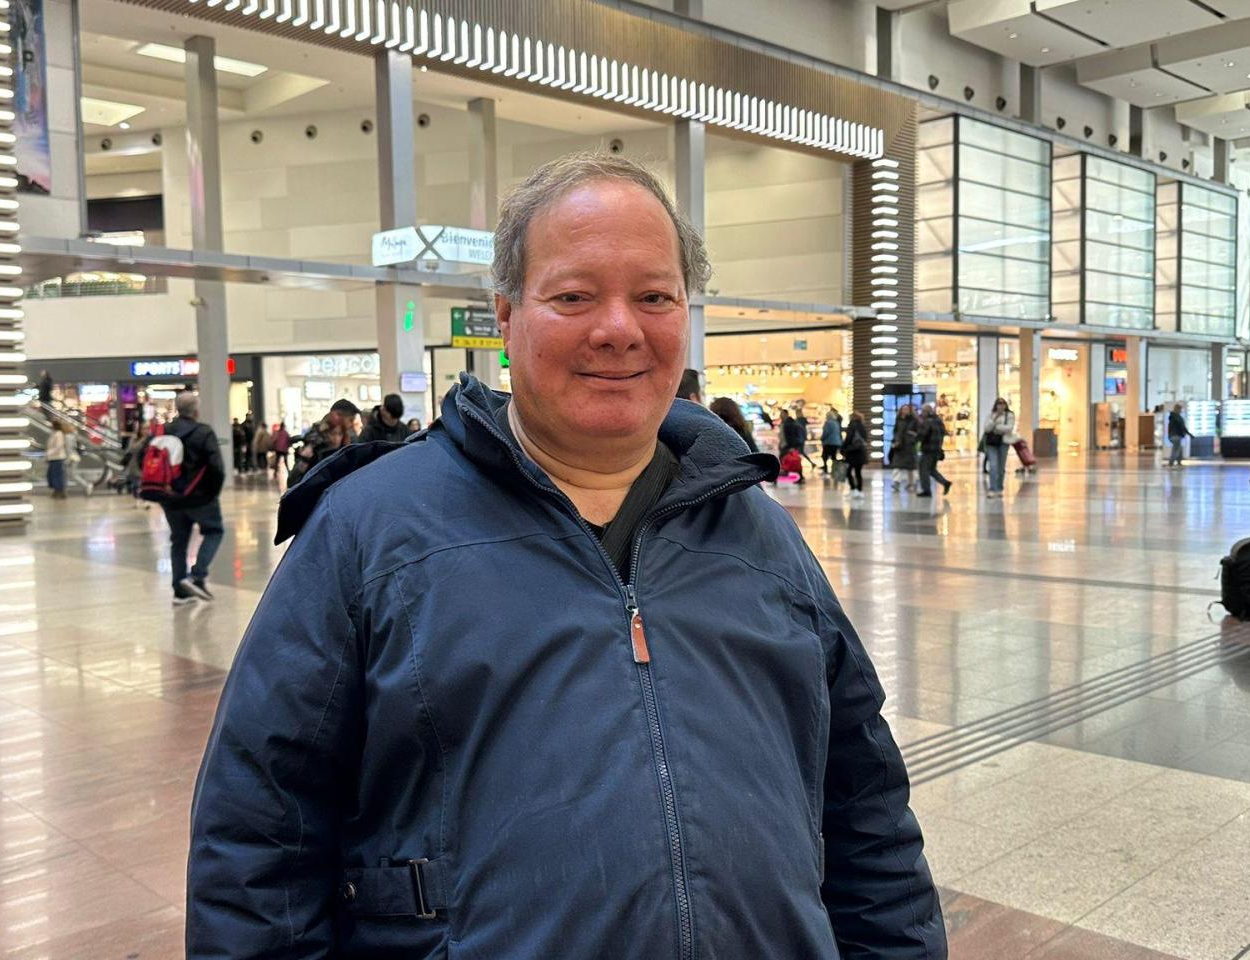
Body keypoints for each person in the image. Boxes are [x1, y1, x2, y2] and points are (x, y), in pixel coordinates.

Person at [187, 152, 945, 959]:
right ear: (506, 316)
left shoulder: (758, 533)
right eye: (575, 296)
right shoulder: (371, 533)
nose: (619, 328)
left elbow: (866, 816)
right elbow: (259, 839)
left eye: (654, 296)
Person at [163, 391, 227, 605]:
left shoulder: (164, 431)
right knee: (214, 531)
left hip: (170, 496)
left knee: (178, 541)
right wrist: (212, 493)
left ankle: (179, 591)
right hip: (199, 496)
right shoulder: (203, 432)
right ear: (196, 410)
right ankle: (197, 576)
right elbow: (216, 467)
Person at [287, 399, 360, 486]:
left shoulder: (349, 443)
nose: (351, 424)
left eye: (340, 434)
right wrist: (305, 459)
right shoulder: (313, 444)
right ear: (337, 415)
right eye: (350, 420)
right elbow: (293, 482)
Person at [979, 398, 1014, 498]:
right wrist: (994, 420)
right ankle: (992, 489)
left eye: (1003, 404)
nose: (1001, 406)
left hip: (1004, 443)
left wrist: (996, 428)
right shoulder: (991, 415)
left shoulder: (1009, 415)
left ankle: (999, 488)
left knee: (1001, 467)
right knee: (993, 466)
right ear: (996, 405)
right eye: (999, 404)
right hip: (992, 443)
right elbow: (986, 428)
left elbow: (1009, 428)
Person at [916, 403, 951, 497]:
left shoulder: (927, 421)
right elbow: (944, 433)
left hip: (928, 450)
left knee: (923, 470)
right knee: (931, 469)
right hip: (937, 449)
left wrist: (915, 435)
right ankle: (945, 482)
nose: (921, 413)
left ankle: (926, 490)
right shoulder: (939, 420)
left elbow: (922, 435)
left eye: (923, 411)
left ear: (927, 412)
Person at [889, 404, 918, 492]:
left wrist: (912, 437)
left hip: (909, 446)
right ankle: (896, 483)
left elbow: (918, 432)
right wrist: (895, 441)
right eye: (903, 409)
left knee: (911, 467)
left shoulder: (914, 420)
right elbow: (895, 431)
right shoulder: (898, 420)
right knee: (896, 465)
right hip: (899, 446)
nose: (905, 411)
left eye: (907, 409)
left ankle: (912, 483)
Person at [842, 411, 870, 497]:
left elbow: (848, 439)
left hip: (852, 452)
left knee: (848, 472)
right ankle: (860, 490)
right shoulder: (862, 426)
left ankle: (853, 489)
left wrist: (843, 449)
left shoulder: (852, 426)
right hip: (861, 452)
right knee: (858, 472)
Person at [44, 417, 70, 498]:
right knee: (52, 475)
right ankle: (56, 490)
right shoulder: (55, 433)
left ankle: (60, 491)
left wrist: (50, 453)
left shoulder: (59, 434)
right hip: (53, 458)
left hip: (57, 458)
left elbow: (58, 445)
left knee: (57, 475)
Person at [820, 407, 843, 478]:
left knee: (824, 456)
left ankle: (826, 469)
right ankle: (834, 470)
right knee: (833, 457)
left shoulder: (828, 423)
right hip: (836, 442)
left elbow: (826, 432)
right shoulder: (836, 423)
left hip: (828, 442)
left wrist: (822, 438)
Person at [1166, 402, 1189, 467]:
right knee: (1176, 450)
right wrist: (1188, 434)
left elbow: (1169, 427)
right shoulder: (1178, 418)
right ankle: (1171, 463)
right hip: (1177, 436)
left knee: (1179, 449)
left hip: (1172, 436)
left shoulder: (1172, 417)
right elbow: (1182, 427)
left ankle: (1179, 462)